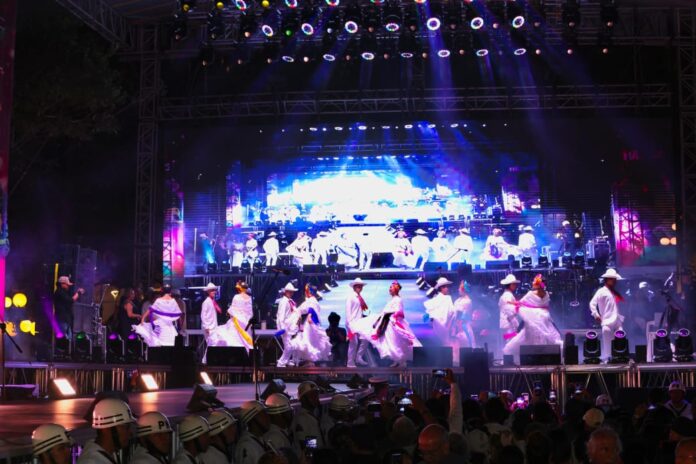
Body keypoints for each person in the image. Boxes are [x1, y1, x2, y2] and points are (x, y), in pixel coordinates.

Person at [351, 281, 420, 367]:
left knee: (396, 342)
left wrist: (393, 317)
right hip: (387, 321)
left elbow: (400, 311)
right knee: (392, 342)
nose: (390, 289)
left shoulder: (398, 299)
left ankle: (401, 361)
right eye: (390, 288)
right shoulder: (393, 299)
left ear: (396, 289)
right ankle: (397, 360)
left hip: (393, 323)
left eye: (391, 288)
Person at [503, 274, 562, 363]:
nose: (533, 283)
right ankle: (542, 357)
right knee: (544, 337)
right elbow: (545, 307)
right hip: (543, 318)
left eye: (534, 282)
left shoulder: (531, 294)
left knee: (530, 337)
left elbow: (520, 303)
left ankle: (535, 357)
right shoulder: (546, 294)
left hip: (535, 319)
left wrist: (512, 306)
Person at [77, 398, 135, 463]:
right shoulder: (91, 461)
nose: (130, 432)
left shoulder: (106, 454)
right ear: (107, 429)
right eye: (126, 427)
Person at [589, 269, 625, 362]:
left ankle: (619, 358)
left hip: (617, 320)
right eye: (613, 279)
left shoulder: (614, 292)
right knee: (608, 343)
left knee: (621, 340)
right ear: (607, 279)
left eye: (615, 279)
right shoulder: (601, 291)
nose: (615, 281)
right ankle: (608, 359)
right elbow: (592, 303)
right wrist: (596, 315)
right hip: (607, 321)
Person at [291, 284, 332, 366]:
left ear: (309, 292)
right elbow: (304, 309)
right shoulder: (312, 300)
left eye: (306, 291)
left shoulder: (312, 300)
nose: (305, 293)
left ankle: (311, 359)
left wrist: (309, 315)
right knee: (312, 340)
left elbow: (310, 309)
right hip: (313, 322)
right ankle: (311, 360)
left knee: (309, 339)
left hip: (311, 322)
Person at [424, 277, 456, 351]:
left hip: (439, 325)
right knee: (445, 344)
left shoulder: (439, 298)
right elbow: (452, 311)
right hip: (443, 325)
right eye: (446, 287)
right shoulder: (447, 298)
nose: (448, 289)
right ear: (442, 288)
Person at [345, 278, 370, 368]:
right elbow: (348, 312)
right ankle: (350, 363)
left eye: (361, 286)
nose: (360, 288)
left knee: (365, 338)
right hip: (352, 323)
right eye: (358, 286)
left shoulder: (359, 297)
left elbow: (358, 311)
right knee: (354, 343)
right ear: (354, 287)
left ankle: (358, 357)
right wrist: (350, 325)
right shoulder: (351, 297)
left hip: (359, 323)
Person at [292, 381, 325, 450]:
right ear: (303, 399)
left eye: (316, 395)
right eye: (312, 396)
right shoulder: (302, 418)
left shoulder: (312, 414)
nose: (316, 398)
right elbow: (308, 446)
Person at [224, 280, 254, 350]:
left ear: (240, 289)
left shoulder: (236, 297)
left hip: (236, 322)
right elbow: (250, 313)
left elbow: (233, 309)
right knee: (245, 341)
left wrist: (228, 311)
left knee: (234, 340)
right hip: (246, 323)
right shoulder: (250, 299)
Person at [53, 275, 85, 340]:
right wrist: (78, 293)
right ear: (62, 284)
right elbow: (71, 300)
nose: (68, 286)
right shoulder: (59, 292)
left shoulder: (63, 292)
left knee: (68, 339)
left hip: (65, 320)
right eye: (67, 285)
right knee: (64, 339)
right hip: (62, 319)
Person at [276, 282, 299, 368]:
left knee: (289, 346)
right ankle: (281, 363)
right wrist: (282, 328)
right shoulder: (283, 302)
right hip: (285, 326)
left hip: (290, 326)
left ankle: (287, 360)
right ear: (285, 292)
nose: (291, 293)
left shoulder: (290, 301)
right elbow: (281, 315)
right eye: (289, 291)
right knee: (289, 346)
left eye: (292, 291)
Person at [200, 283, 228, 352]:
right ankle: (208, 358)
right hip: (209, 327)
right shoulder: (206, 302)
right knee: (212, 345)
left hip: (214, 326)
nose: (214, 292)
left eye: (214, 290)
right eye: (212, 290)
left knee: (213, 345)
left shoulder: (212, 302)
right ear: (208, 291)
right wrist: (206, 327)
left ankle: (208, 358)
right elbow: (203, 316)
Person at [453, 280, 477, 353]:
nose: (458, 289)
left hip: (464, 326)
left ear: (464, 290)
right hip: (457, 326)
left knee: (468, 345)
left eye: (460, 288)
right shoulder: (458, 300)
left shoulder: (467, 301)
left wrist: (458, 323)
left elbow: (462, 314)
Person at [498, 274, 520, 344]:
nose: (515, 286)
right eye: (514, 284)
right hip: (509, 323)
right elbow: (509, 310)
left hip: (508, 323)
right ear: (510, 285)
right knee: (510, 343)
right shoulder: (507, 295)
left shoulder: (507, 295)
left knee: (509, 341)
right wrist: (518, 307)